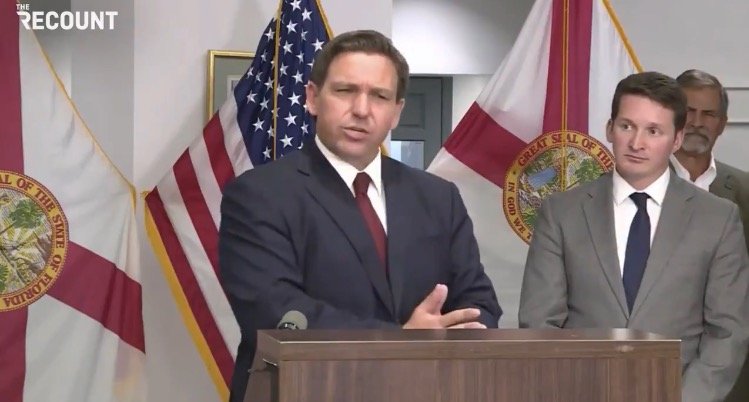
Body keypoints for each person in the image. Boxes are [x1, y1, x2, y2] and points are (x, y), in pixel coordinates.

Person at [219, 30, 501, 402]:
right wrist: (401, 342)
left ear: (396, 111)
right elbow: (274, 312)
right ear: (312, 98)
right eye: (345, 90)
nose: (362, 110)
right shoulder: (259, 194)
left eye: (380, 96)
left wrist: (447, 341)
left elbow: (479, 302)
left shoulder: (438, 197)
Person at [518, 71, 749, 402]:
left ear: (677, 139)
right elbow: (540, 324)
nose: (637, 143)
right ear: (609, 129)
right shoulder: (561, 213)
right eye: (627, 126)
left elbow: (727, 333)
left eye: (654, 131)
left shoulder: (718, 218)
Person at [671, 69, 749, 402]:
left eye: (709, 114)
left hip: (731, 374)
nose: (697, 122)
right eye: (688, 111)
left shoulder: (745, 190)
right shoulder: (638, 185)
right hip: (651, 360)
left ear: (722, 123)